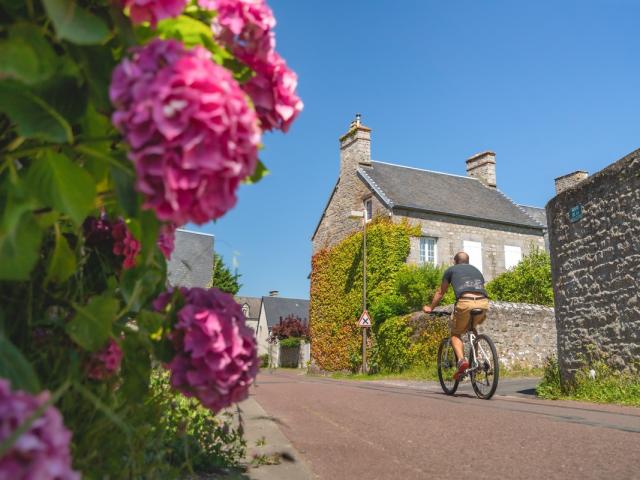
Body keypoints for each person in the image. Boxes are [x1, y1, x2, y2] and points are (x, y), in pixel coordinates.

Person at [422, 252, 489, 380]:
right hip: (483, 303)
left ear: (455, 261)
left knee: (455, 333)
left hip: (465, 302)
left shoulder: (451, 270)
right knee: (471, 327)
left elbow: (441, 292)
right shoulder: (476, 270)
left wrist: (430, 308)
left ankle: (462, 361)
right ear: (467, 261)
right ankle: (477, 359)